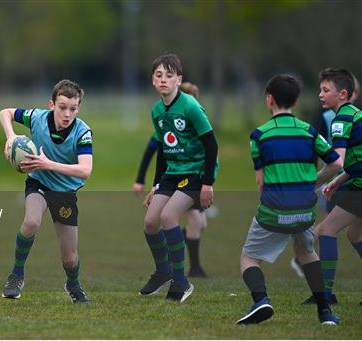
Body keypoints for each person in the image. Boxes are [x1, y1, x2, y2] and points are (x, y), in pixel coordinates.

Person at [236, 74, 341, 325]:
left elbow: (260, 181)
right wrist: (313, 182)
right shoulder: (310, 132)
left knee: (249, 258)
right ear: (294, 101)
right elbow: (336, 163)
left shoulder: (259, 136)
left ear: (269, 99)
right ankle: (325, 311)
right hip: (305, 210)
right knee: (307, 252)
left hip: (274, 209)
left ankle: (261, 300)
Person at [0, 79, 93, 304]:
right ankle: (17, 275)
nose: (67, 113)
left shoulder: (82, 132)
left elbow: (85, 170)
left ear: (78, 107)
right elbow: (5, 112)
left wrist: (47, 163)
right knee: (31, 222)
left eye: (73, 108)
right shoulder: (37, 118)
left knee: (69, 258)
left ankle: (73, 284)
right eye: (62, 107)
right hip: (38, 183)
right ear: (52, 104)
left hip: (65, 191)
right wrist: (11, 137)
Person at [139, 54, 218, 302]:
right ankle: (163, 272)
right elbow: (163, 150)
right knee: (151, 222)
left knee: (168, 217)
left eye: (169, 75)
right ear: (153, 80)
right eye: (159, 75)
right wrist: (156, 185)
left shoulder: (191, 106)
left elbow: (212, 145)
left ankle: (181, 282)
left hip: (196, 172)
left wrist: (207, 184)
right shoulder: (157, 111)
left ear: (179, 80)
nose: (164, 80)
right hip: (172, 173)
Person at [133, 82, 209, 278]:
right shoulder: (163, 122)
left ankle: (180, 259)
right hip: (173, 180)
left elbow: (210, 149)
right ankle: (192, 269)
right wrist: (144, 181)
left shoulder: (194, 120)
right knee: (186, 220)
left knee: (199, 223)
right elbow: (152, 153)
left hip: (191, 178)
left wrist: (208, 180)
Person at [304, 68, 362, 306]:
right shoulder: (355, 113)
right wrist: (337, 182)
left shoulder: (342, 119)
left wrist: (312, 183)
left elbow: (337, 160)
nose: (320, 94)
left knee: (327, 230)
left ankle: (326, 293)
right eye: (320, 89)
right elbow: (355, 160)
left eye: (326, 90)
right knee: (355, 233)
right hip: (356, 181)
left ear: (343, 94)